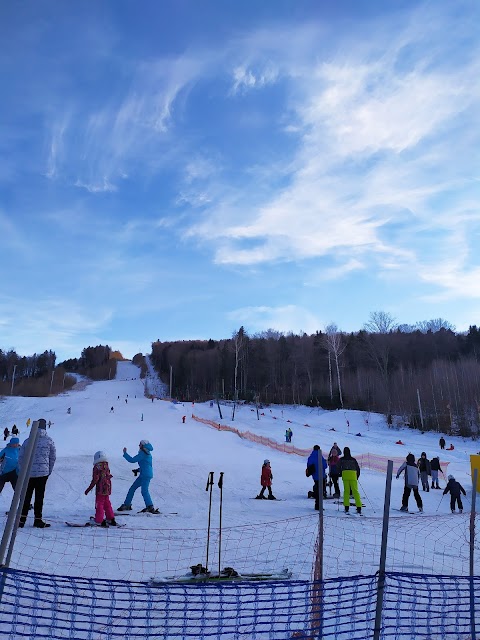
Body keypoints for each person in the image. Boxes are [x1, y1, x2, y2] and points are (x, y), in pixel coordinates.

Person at [18, 419, 56, 528]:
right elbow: (52, 457)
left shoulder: (28, 440)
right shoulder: (49, 441)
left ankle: (21, 520)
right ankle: (38, 520)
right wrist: (48, 471)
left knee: (26, 496)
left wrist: (23, 470)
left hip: (28, 473)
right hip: (42, 473)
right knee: (39, 497)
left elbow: (21, 457)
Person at [118, 440, 156, 512]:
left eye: (140, 444)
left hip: (145, 475)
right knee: (132, 488)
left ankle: (150, 506)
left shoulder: (143, 454)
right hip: (144, 474)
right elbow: (146, 465)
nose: (139, 446)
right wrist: (138, 470)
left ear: (143, 446)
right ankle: (127, 504)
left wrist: (125, 453)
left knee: (144, 491)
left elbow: (132, 460)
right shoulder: (148, 453)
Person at [85, 451, 117, 526]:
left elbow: (95, 479)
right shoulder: (106, 465)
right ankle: (110, 518)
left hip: (100, 489)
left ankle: (99, 520)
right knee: (107, 503)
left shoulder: (97, 467)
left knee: (99, 504)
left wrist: (88, 489)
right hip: (107, 488)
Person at [338, 447, 362, 514]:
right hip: (353, 475)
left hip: (345, 475)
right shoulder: (353, 459)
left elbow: (338, 467)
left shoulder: (341, 459)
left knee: (346, 491)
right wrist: (357, 476)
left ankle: (346, 507)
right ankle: (359, 506)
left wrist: (340, 473)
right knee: (355, 491)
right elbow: (357, 468)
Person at [306, 445, 328, 511]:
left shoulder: (310, 457)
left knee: (317, 488)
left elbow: (309, 466)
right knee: (321, 491)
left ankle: (314, 496)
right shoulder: (320, 456)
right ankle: (318, 505)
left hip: (315, 476)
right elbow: (325, 466)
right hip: (322, 476)